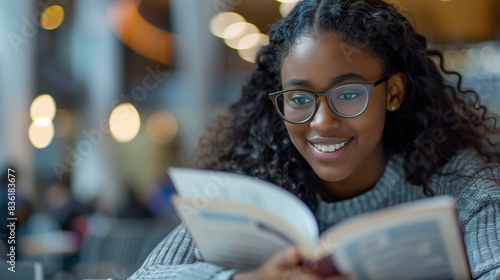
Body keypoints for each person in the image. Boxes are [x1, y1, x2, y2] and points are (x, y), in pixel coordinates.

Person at [128, 0, 500, 279]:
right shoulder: (256, 185)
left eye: (349, 93)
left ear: (394, 93)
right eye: (300, 99)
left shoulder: (458, 186)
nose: (322, 122)